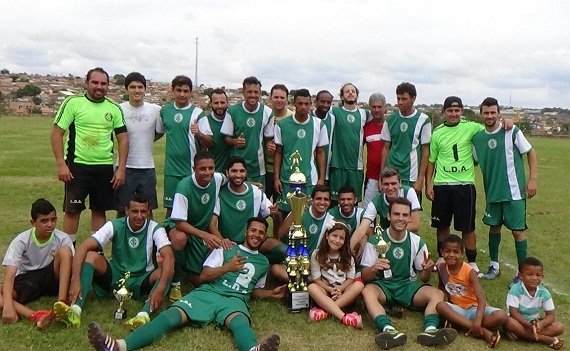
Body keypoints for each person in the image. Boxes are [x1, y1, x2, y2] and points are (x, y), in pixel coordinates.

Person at [87, 217, 285, 351]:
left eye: (261, 232)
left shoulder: (263, 262)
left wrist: (270, 293)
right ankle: (119, 346)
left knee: (240, 322)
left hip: (235, 300)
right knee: (170, 317)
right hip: (207, 292)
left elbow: (253, 290)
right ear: (246, 231)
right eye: (253, 230)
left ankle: (253, 349)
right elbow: (204, 275)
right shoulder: (227, 248)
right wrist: (227, 268)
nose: (256, 235)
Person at [53, 194, 174, 329]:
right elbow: (83, 247)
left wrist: (160, 288)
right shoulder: (114, 225)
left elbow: (169, 257)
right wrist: (75, 280)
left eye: (143, 211)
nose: (139, 216)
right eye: (135, 211)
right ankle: (75, 309)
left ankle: (144, 314)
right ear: (126, 210)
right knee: (90, 256)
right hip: (116, 276)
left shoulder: (155, 228)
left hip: (141, 279)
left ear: (149, 211)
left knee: (167, 270)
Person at [360, 197, 457, 349]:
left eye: (405, 215)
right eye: (396, 214)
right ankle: (388, 330)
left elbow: (423, 278)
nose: (400, 218)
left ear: (410, 218)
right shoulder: (375, 241)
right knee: (367, 291)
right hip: (382, 287)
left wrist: (426, 270)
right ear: (389, 216)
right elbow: (365, 276)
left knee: (437, 294)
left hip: (406, 286)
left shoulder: (417, 241)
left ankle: (430, 330)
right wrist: (373, 269)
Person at [50, 67, 128, 244]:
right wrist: (61, 164)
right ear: (86, 83)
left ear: (108, 85)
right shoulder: (73, 103)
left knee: (99, 210)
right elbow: (56, 134)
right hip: (77, 166)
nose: (99, 87)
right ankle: (69, 252)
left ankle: (95, 253)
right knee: (72, 210)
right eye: (95, 82)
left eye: (103, 83)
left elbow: (123, 139)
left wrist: (121, 169)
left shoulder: (114, 108)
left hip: (104, 167)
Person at [472, 97, 537, 284]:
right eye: (486, 112)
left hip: (514, 192)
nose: (490, 115)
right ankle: (494, 266)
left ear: (499, 113)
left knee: (517, 232)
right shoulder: (477, 139)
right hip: (493, 192)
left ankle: (521, 273)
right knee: (494, 228)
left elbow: (530, 152)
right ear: (481, 114)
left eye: (493, 112)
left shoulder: (512, 131)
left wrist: (533, 179)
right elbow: (474, 161)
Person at [426, 96, 483, 272]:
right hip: (442, 184)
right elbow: (431, 161)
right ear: (444, 112)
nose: (453, 114)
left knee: (467, 226)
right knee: (442, 225)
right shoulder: (437, 133)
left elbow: (491, 130)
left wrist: (507, 123)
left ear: (462, 112)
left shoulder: (472, 127)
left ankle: (472, 261)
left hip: (464, 185)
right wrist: (429, 184)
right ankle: (443, 257)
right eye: (450, 110)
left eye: (457, 110)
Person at [0, 198, 73, 329]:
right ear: (33, 222)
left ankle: (61, 305)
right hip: (27, 279)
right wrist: (8, 306)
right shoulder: (21, 241)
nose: (50, 224)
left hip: (51, 276)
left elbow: (72, 266)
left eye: (53, 219)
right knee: (4, 292)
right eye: (44, 221)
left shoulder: (62, 238)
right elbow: (9, 276)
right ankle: (35, 315)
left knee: (65, 252)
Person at [165, 151, 227, 299]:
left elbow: (231, 178)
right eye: (202, 169)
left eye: (211, 168)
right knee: (180, 238)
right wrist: (205, 234)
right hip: (181, 227)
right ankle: (175, 281)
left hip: (200, 230)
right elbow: (179, 222)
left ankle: (190, 267)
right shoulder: (184, 187)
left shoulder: (217, 179)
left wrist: (250, 184)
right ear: (194, 169)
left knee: (214, 251)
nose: (208, 172)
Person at [435, 235, 507, 348]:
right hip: (458, 309)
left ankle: (460, 324)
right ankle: (481, 330)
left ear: (462, 253)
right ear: (441, 252)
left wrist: (477, 321)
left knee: (501, 316)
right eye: (447, 251)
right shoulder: (441, 267)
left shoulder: (469, 271)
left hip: (475, 309)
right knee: (440, 306)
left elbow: (481, 300)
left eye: (456, 252)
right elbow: (441, 288)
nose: (451, 255)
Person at [157, 75, 211, 218]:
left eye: (185, 91)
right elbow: (157, 132)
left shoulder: (197, 113)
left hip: (191, 170)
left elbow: (209, 141)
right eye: (179, 90)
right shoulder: (165, 111)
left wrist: (199, 133)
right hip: (171, 171)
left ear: (190, 92)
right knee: (170, 210)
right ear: (172, 90)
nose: (182, 94)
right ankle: (169, 239)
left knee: (192, 209)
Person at [115, 72, 163, 218]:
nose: (137, 90)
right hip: (124, 167)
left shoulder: (155, 110)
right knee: (122, 209)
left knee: (147, 209)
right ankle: (121, 240)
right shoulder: (118, 109)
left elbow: (160, 132)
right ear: (126, 89)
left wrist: (147, 140)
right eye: (133, 87)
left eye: (140, 87)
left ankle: (148, 240)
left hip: (147, 167)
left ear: (145, 89)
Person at [273, 89, 328, 213]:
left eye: (306, 104)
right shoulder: (282, 125)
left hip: (309, 179)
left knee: (306, 213)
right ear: (294, 104)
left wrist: (321, 178)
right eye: (300, 103)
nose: (303, 107)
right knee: (284, 213)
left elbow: (320, 153)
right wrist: (276, 178)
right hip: (287, 178)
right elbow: (278, 153)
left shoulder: (319, 125)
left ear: (310, 104)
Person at [266, 185, 334, 283]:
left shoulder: (330, 220)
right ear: (312, 200)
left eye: (326, 199)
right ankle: (304, 282)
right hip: (292, 258)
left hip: (313, 264)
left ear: (330, 202)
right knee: (275, 269)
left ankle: (300, 281)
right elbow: (280, 233)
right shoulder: (301, 211)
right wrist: (296, 211)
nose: (322, 202)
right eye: (319, 198)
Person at [350, 167, 421, 256]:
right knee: (363, 238)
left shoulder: (409, 192)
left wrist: (392, 231)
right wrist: (348, 249)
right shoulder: (377, 201)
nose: (390, 187)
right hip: (386, 240)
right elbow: (362, 228)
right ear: (381, 185)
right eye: (386, 184)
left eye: (393, 183)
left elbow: (415, 225)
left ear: (400, 183)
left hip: (407, 237)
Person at [209, 156, 280, 245]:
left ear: (246, 173)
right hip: (229, 245)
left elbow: (276, 216)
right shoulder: (220, 194)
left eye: (242, 171)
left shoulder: (256, 192)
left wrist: (276, 214)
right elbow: (212, 225)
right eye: (234, 171)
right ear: (227, 173)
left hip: (252, 245)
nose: (238, 175)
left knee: (280, 249)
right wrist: (223, 241)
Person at [380, 82, 431, 203]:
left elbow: (425, 151)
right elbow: (386, 148)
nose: (400, 102)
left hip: (411, 174)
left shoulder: (423, 120)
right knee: (389, 211)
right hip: (391, 174)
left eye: (404, 99)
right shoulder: (390, 120)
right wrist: (381, 177)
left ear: (413, 99)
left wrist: (420, 180)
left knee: (409, 212)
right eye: (398, 98)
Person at [222, 76, 274, 190]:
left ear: (260, 93)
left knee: (257, 202)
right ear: (243, 92)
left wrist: (270, 145)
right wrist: (235, 142)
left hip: (257, 167)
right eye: (249, 92)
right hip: (236, 168)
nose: (253, 95)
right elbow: (226, 138)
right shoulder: (232, 111)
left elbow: (268, 139)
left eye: (256, 92)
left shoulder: (267, 112)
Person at [308, 221, 364, 329]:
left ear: (345, 241)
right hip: (325, 291)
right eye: (334, 236)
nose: (337, 241)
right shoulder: (317, 254)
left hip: (343, 293)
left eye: (341, 238)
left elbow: (350, 279)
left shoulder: (348, 256)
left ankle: (326, 312)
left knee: (359, 285)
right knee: (312, 287)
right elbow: (317, 279)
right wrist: (330, 290)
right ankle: (344, 318)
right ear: (327, 235)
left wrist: (340, 289)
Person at [505, 257, 564, 349]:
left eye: (538, 275)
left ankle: (520, 334)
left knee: (559, 327)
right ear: (520, 276)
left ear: (542, 276)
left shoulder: (544, 293)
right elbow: (513, 313)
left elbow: (551, 315)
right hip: (518, 321)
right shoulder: (515, 290)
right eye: (529, 274)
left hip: (533, 322)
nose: (534, 278)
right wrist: (528, 326)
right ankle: (545, 339)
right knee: (508, 322)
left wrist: (541, 324)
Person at [329, 83, 368, 202]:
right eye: (347, 91)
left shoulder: (365, 114)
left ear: (357, 95)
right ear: (342, 97)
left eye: (353, 91)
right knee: (336, 202)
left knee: (353, 203)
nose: (350, 93)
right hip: (337, 165)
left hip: (356, 167)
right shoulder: (333, 112)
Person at [265, 84, 293, 201]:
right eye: (276, 97)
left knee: (280, 208)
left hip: (283, 170)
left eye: (282, 97)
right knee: (260, 207)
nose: (279, 100)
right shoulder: (264, 115)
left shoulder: (292, 117)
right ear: (270, 98)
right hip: (264, 169)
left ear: (287, 99)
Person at [363, 93, 387, 208]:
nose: (376, 110)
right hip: (371, 177)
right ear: (369, 108)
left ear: (384, 107)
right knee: (368, 214)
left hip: (390, 178)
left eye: (379, 107)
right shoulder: (366, 127)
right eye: (373, 107)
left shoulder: (391, 125)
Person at [203, 88, 232, 173]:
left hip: (233, 174)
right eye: (216, 103)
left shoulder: (233, 119)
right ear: (210, 103)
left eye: (222, 102)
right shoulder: (205, 121)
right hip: (213, 173)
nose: (219, 106)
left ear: (227, 102)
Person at [311, 90, 335, 182]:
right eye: (322, 101)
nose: (326, 105)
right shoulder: (309, 116)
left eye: (328, 102)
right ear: (316, 102)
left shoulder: (332, 119)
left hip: (326, 168)